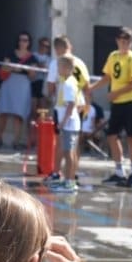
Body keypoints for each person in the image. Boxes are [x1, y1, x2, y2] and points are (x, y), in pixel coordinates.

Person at [87, 26, 132, 188]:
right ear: (117, 41)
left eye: (127, 41)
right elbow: (107, 77)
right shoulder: (113, 56)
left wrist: (116, 93)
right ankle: (119, 172)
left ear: (131, 43)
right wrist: (92, 87)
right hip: (118, 103)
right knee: (112, 135)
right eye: (121, 40)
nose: (124, 44)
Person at [44, 35, 91, 172]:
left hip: (64, 106)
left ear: (57, 48)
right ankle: (73, 174)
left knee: (61, 143)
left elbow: (50, 87)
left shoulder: (57, 63)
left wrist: (51, 99)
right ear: (69, 46)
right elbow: (87, 87)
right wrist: (87, 105)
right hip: (79, 104)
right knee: (74, 143)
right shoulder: (80, 62)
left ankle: (57, 173)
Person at [0, 32, 37, 150]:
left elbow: (33, 75)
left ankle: (16, 141)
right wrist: (13, 68)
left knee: (19, 114)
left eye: (25, 40)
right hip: (9, 82)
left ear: (29, 42)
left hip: (23, 85)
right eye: (21, 40)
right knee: (3, 112)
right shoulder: (10, 53)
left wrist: (24, 69)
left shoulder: (32, 57)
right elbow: (4, 67)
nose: (23, 42)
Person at [49, 56, 84, 193]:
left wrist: (63, 122)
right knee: (71, 152)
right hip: (72, 123)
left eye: (59, 67)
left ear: (66, 68)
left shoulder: (68, 83)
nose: (58, 69)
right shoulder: (71, 82)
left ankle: (69, 183)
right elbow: (79, 105)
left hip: (68, 124)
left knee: (68, 153)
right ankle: (69, 180)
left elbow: (71, 104)